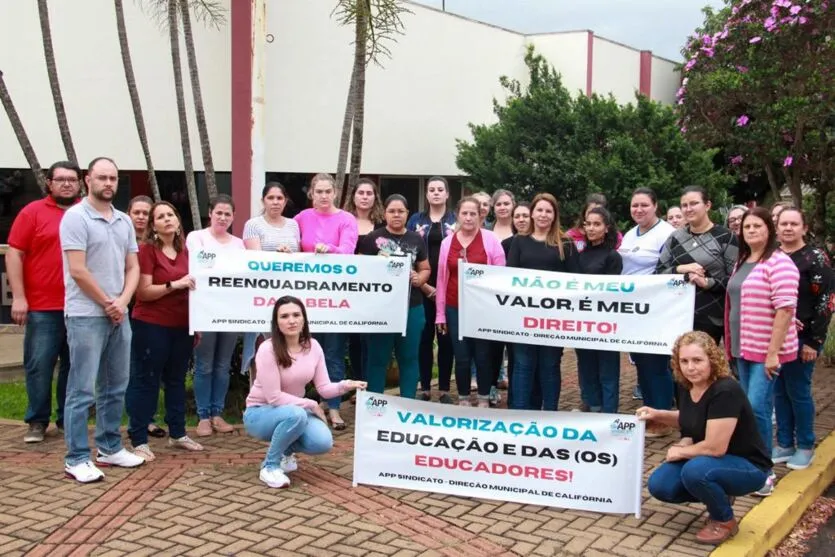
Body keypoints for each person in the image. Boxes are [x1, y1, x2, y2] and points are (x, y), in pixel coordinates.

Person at [640, 332, 771, 545]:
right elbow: (690, 419)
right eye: (684, 361)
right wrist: (658, 414)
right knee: (660, 485)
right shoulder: (687, 385)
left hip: (748, 466)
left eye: (697, 360)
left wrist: (681, 450)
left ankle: (724, 520)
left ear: (712, 359)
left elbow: (715, 448)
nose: (690, 367)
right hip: (712, 462)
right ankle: (718, 494)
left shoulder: (725, 390)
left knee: (695, 471)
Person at [60, 157, 144, 483]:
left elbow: (133, 267)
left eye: (113, 178)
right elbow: (78, 270)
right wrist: (108, 303)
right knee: (81, 390)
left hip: (118, 314)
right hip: (85, 315)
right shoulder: (75, 218)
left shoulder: (123, 221)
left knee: (115, 386)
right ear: (88, 180)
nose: (108, 183)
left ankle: (109, 447)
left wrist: (122, 303)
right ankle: (76, 457)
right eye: (102, 178)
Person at [245, 296, 366, 488]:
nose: (291, 320)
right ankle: (270, 467)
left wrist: (346, 385)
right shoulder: (267, 349)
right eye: (284, 316)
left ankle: (284, 453)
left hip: (294, 411)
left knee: (322, 442)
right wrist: (310, 404)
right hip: (260, 413)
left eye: (296, 315)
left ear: (304, 318)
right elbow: (274, 397)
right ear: (276, 322)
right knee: (297, 414)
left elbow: (324, 389)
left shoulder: (313, 346)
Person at [725, 206, 799, 496]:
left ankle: (764, 472)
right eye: (747, 227)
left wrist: (773, 354)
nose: (752, 231)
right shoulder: (743, 259)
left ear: (770, 229)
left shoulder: (779, 262)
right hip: (742, 348)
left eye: (757, 226)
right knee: (750, 408)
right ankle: (750, 461)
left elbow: (784, 310)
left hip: (766, 351)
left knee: (757, 409)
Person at [7, 161, 80, 443]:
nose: (66, 184)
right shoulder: (32, 213)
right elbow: (14, 254)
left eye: (71, 180)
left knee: (74, 365)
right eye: (60, 179)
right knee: (39, 364)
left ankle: (66, 419)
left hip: (80, 306)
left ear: (80, 183)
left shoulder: (86, 212)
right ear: (49, 183)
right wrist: (20, 297)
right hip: (42, 307)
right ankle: (37, 420)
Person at [126, 202, 203, 461]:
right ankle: (138, 438)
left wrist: (198, 323)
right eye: (160, 216)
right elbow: (143, 292)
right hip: (151, 325)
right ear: (153, 225)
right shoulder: (146, 250)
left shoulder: (188, 252)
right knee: (146, 380)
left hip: (182, 326)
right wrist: (174, 284)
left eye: (171, 214)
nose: (167, 219)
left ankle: (178, 434)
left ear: (178, 221)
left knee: (176, 380)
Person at [295, 173, 359, 429]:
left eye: (327, 191)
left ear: (335, 193)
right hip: (306, 299)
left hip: (335, 299)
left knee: (333, 354)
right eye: (318, 191)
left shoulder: (346, 219)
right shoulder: (301, 218)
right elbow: (293, 248)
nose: (323, 196)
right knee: (306, 353)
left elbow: (348, 251)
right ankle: (304, 407)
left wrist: (329, 249)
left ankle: (334, 408)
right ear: (312, 193)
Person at [773, 208, 834, 470]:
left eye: (793, 224)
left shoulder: (816, 257)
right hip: (775, 337)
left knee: (798, 392)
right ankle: (784, 442)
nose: (788, 228)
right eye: (783, 223)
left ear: (804, 228)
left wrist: (814, 341)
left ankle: (805, 445)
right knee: (778, 391)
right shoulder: (772, 256)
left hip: (802, 339)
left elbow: (825, 302)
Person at [506, 193, 579, 411]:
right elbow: (509, 277)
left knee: (549, 366)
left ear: (554, 215)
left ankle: (550, 413)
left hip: (553, 319)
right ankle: (520, 414)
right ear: (532, 214)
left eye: (548, 211)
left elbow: (577, 281)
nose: (543, 215)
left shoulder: (565, 244)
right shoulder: (519, 241)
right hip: (523, 318)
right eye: (539, 210)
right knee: (523, 366)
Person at [435, 197, 506, 407]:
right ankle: (464, 397)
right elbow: (441, 279)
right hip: (454, 307)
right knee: (462, 355)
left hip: (482, 309)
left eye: (473, 213)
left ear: (480, 216)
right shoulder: (447, 242)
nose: (468, 218)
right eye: (464, 213)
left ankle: (484, 397)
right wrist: (440, 314)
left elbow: (501, 276)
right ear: (457, 215)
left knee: (483, 354)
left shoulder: (491, 240)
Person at [618, 187, 676, 438]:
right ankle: (650, 413)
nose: (638, 210)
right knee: (641, 363)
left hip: (657, 308)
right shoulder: (631, 234)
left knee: (656, 365)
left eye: (644, 205)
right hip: (634, 310)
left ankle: (663, 419)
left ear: (656, 206)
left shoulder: (667, 233)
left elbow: (672, 268)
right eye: (634, 206)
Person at [186, 195, 245, 437]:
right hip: (204, 310)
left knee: (222, 366)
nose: (223, 218)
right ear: (210, 213)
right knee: (204, 365)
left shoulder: (239, 244)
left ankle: (217, 414)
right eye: (218, 213)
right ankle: (203, 417)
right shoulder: (196, 237)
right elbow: (200, 267)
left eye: (227, 214)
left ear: (233, 217)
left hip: (230, 311)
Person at [360, 195, 430, 398]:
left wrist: (419, 278)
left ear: (408, 214)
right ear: (385, 213)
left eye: (401, 211)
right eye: (392, 211)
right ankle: (374, 403)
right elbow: (361, 269)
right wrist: (377, 265)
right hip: (381, 309)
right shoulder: (373, 238)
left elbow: (425, 267)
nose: (396, 215)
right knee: (378, 358)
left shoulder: (416, 238)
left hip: (412, 306)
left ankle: (407, 402)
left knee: (409, 357)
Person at [657, 186, 738, 344]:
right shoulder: (675, 238)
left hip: (712, 317)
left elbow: (734, 280)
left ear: (707, 205)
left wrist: (708, 283)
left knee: (705, 365)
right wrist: (681, 269)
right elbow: (659, 273)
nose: (688, 209)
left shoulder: (726, 237)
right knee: (678, 366)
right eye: (684, 205)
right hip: (677, 314)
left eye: (694, 203)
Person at [241, 183, 301, 375]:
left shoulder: (293, 225)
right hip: (262, 295)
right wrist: (276, 255)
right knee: (262, 349)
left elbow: (300, 259)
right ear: (263, 201)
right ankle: (260, 399)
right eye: (271, 198)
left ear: (285, 201)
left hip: (288, 295)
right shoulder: (253, 224)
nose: (275, 202)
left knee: (288, 347)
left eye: (279, 198)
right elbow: (254, 260)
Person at [407, 177, 456, 403]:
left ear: (447, 194)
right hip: (421, 287)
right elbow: (407, 251)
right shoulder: (416, 220)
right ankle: (424, 386)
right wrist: (425, 286)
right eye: (431, 190)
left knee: (446, 340)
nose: (436, 193)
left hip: (450, 290)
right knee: (423, 338)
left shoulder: (455, 219)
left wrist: (443, 290)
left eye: (440, 190)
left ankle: (444, 388)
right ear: (426, 195)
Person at [575, 207, 622, 413]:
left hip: (605, 323)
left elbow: (612, 293)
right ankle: (593, 408)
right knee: (586, 368)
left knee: (607, 370)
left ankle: (609, 412)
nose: (591, 228)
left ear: (606, 228)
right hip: (582, 321)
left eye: (597, 224)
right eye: (588, 224)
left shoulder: (613, 256)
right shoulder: (580, 254)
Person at [345, 178, 385, 385]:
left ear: (375, 198)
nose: (365, 197)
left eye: (369, 193)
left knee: (371, 338)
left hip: (375, 290)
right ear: (353, 196)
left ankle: (372, 383)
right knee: (354, 340)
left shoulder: (381, 224)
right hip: (348, 288)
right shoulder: (344, 221)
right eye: (361, 193)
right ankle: (357, 383)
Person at [499, 202, 531, 395]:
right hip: (513, 309)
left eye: (525, 216)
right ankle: (514, 399)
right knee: (514, 356)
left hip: (538, 310)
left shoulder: (547, 244)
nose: (521, 220)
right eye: (517, 216)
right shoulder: (506, 245)